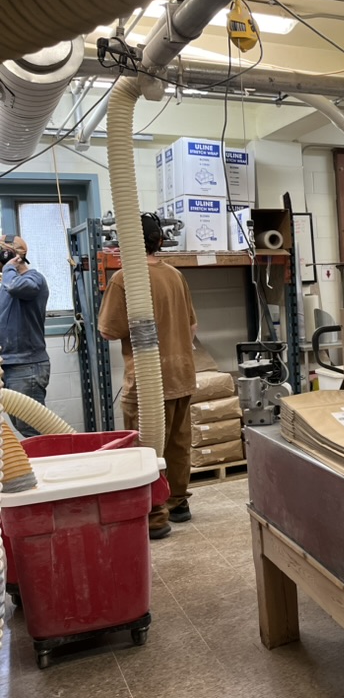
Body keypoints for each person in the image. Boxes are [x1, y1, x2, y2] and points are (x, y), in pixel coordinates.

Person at [99, 214, 197, 540]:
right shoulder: (175, 275)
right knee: (179, 443)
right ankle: (179, 503)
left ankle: (155, 516)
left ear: (126, 240)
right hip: (182, 373)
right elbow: (193, 325)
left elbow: (109, 331)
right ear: (160, 240)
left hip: (147, 380)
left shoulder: (125, 279)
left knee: (146, 448)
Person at [0, 235, 50, 437]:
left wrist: (9, 268)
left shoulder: (33, 279)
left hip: (27, 366)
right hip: (10, 365)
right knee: (23, 427)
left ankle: (54, 465)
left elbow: (15, 288)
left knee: (33, 429)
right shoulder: (6, 285)